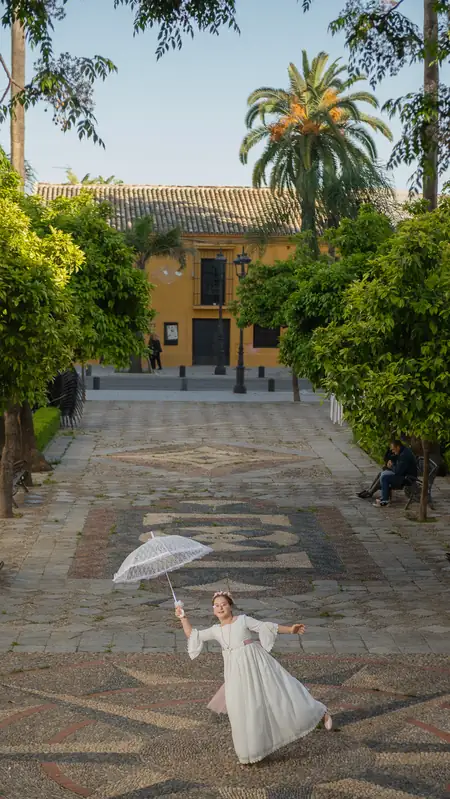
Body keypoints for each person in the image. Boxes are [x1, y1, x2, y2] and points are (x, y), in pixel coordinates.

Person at [175, 590, 332, 766]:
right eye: (216, 605)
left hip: (256, 665)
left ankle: (319, 712)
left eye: (223, 604)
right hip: (235, 673)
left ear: (230, 606)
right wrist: (183, 616)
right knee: (240, 708)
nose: (220, 607)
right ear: (213, 610)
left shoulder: (242, 620)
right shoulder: (215, 630)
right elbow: (193, 635)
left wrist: (290, 629)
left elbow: (265, 626)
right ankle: (250, 751)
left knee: (281, 693)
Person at [373, 439, 417, 507]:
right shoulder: (403, 451)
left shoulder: (404, 455)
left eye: (393, 449)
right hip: (404, 474)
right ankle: (383, 497)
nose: (392, 451)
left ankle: (384, 501)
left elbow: (397, 471)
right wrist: (392, 462)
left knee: (384, 477)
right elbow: (398, 466)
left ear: (398, 447)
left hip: (408, 478)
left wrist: (391, 465)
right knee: (383, 473)